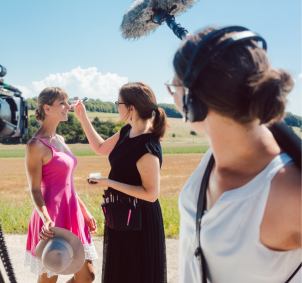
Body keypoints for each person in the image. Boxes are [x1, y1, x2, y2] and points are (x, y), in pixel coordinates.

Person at [169, 27, 301, 282]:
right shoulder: (211, 160)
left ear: (193, 102)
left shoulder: (290, 193)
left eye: (174, 86)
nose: (173, 96)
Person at [75, 82, 168, 283]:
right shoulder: (127, 131)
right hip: (122, 216)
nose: (117, 106)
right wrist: (82, 116)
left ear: (131, 108)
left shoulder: (147, 145)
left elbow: (151, 194)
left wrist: (108, 182)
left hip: (139, 222)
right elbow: (100, 147)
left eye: (119, 103)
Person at [24, 87, 99, 283]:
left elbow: (68, 184)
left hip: (71, 211)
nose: (67, 106)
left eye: (67, 102)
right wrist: (46, 218)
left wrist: (83, 211)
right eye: (62, 103)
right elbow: (34, 189)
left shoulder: (60, 140)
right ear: (47, 108)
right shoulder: (35, 145)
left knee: (87, 276)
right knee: (50, 277)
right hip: (50, 216)